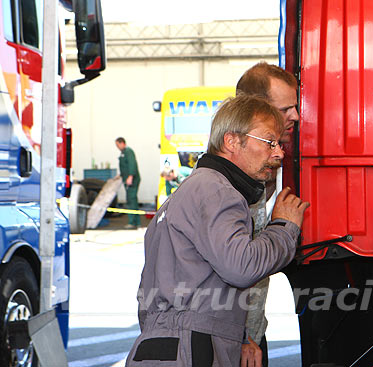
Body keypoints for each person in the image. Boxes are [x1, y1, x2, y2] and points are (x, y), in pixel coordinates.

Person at [125, 95, 309, 367]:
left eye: (279, 143)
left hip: (168, 344)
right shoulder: (218, 192)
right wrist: (283, 227)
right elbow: (242, 267)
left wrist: (241, 336)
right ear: (232, 141)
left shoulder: (193, 190)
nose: (279, 153)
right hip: (193, 347)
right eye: (269, 142)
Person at [236, 62, 299, 366]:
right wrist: (244, 338)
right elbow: (236, 267)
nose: (296, 116)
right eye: (286, 109)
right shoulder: (233, 179)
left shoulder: (261, 169)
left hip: (248, 331)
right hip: (234, 338)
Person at [115, 137, 141, 229]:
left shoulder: (128, 151)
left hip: (132, 180)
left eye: (118, 145)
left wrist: (130, 176)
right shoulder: (123, 153)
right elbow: (125, 166)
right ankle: (136, 222)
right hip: (128, 179)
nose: (117, 147)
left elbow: (132, 164)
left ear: (122, 143)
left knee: (131, 200)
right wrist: (120, 175)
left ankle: (133, 222)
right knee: (132, 200)